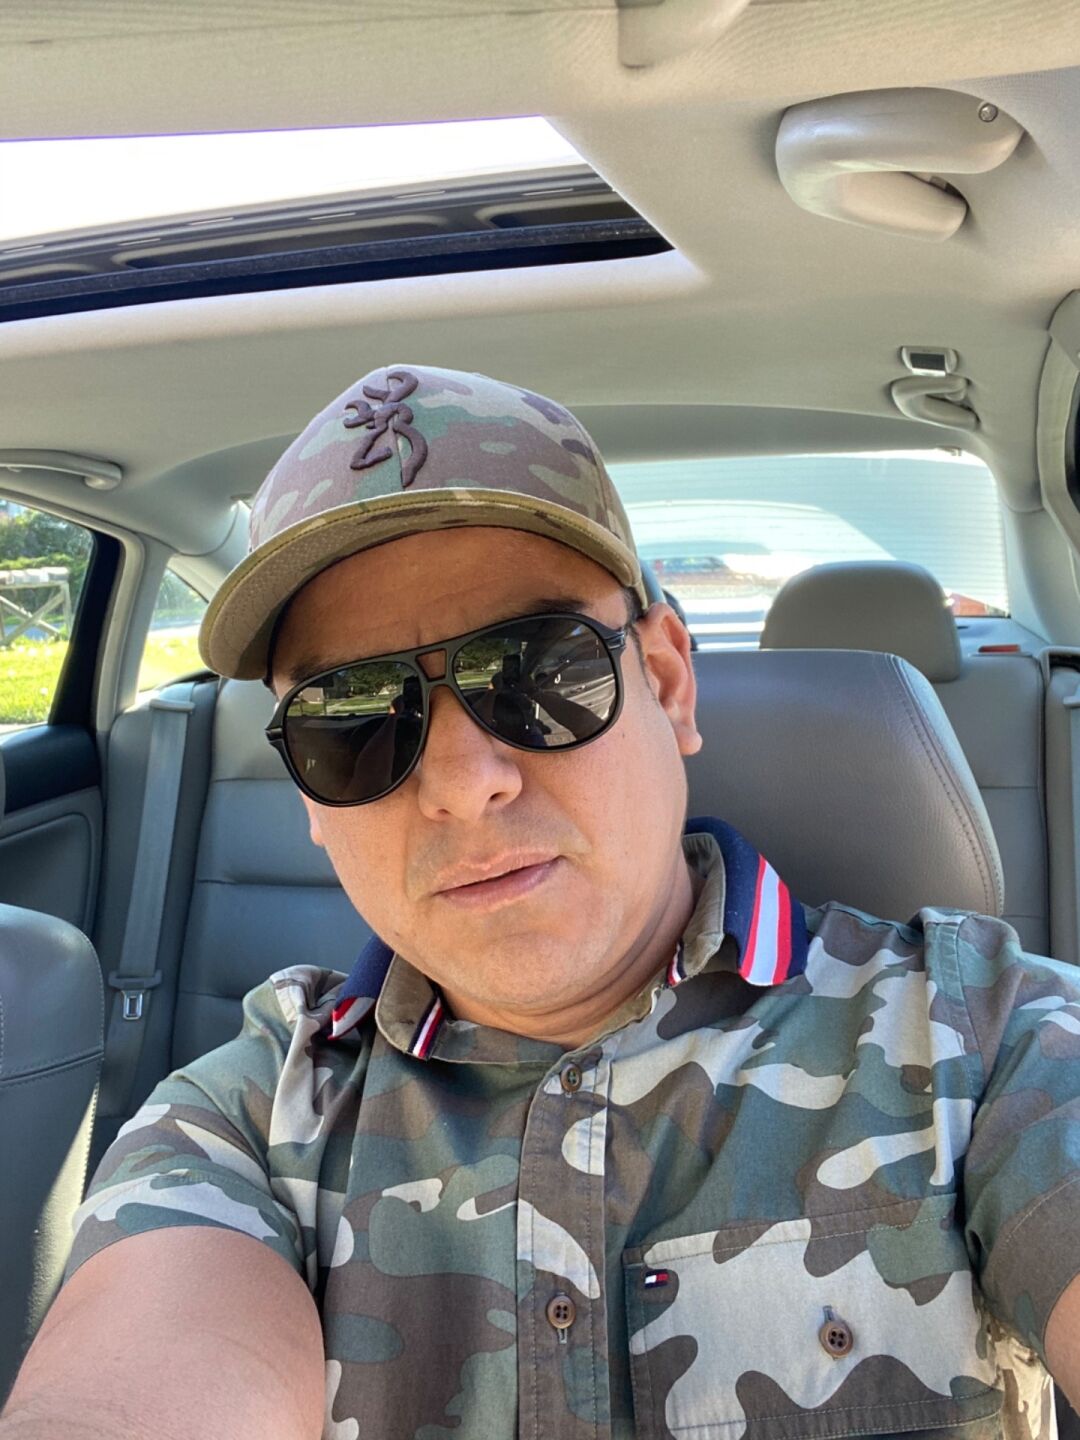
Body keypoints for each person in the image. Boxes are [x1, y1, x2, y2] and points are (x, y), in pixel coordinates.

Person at [3, 363, 1080, 1440]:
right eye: (351, 719)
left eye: (535, 673)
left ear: (666, 682)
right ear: (309, 801)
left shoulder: (986, 1041)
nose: (464, 784)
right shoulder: (244, 1121)